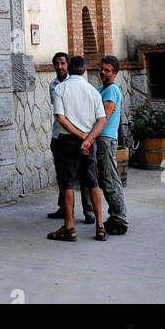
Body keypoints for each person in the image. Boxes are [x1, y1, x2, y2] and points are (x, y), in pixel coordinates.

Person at [48, 55, 107, 241]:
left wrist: (81, 137)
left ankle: (69, 228)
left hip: (67, 142)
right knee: (92, 182)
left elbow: (61, 118)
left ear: (69, 69)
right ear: (84, 70)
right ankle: (100, 226)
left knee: (67, 184)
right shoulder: (93, 91)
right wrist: (88, 140)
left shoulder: (60, 89)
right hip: (88, 143)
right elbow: (102, 119)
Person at [97, 55, 129, 235]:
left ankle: (119, 219)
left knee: (110, 180)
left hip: (105, 139)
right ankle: (115, 216)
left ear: (114, 73)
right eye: (102, 69)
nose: (103, 72)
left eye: (107, 70)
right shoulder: (103, 89)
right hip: (103, 138)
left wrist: (90, 137)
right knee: (106, 179)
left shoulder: (111, 91)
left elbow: (103, 117)